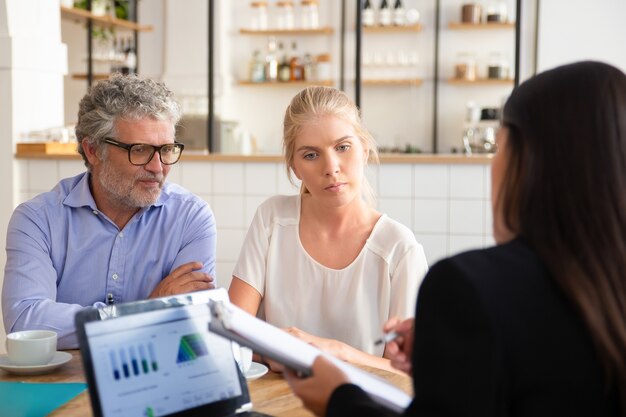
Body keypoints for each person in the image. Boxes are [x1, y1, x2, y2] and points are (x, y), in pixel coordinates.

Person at [285, 61, 626, 416]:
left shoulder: (464, 286)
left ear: (527, 163)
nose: (330, 167)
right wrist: (453, 361)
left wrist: (339, 398)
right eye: (311, 154)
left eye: (498, 147)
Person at [2, 74, 217, 349]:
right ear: (93, 151)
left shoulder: (191, 218)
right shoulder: (37, 220)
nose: (157, 166)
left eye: (166, 149)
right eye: (139, 150)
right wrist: (147, 311)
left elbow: (191, 323)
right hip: (62, 384)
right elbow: (25, 321)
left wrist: (113, 321)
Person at [228, 86, 428, 371]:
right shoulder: (272, 219)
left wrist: (336, 352)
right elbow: (232, 332)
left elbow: (409, 370)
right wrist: (272, 353)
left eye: (342, 147)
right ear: (295, 167)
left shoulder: (399, 248)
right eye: (311, 155)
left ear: (364, 150)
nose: (331, 167)